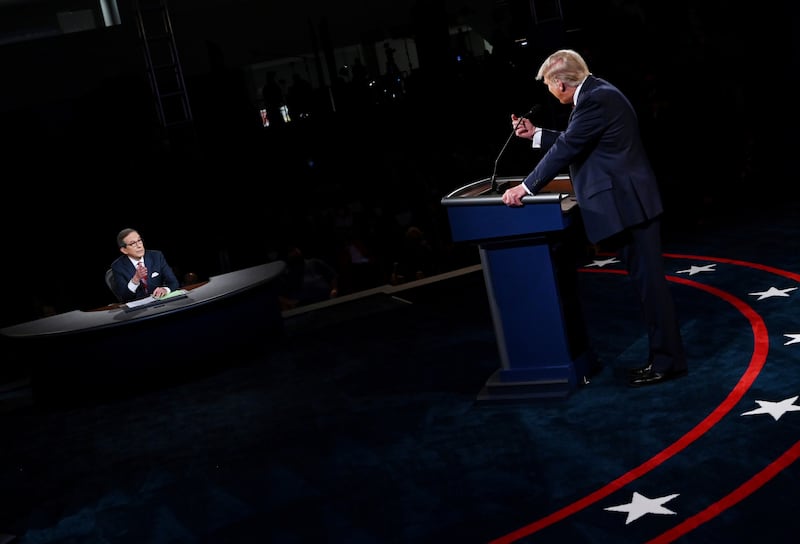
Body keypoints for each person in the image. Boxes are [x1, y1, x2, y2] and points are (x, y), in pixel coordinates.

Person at [501, 49, 686, 387]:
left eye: (548, 86)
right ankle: (663, 357)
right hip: (631, 204)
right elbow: (576, 140)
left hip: (631, 206)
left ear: (560, 83)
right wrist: (536, 135)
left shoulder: (595, 100)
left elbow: (569, 149)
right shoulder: (596, 94)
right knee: (648, 288)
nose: (549, 91)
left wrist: (525, 187)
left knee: (652, 289)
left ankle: (668, 362)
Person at [110, 228, 180, 302]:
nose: (139, 246)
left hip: (160, 303)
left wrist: (165, 289)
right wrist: (135, 279)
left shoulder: (156, 256)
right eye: (132, 243)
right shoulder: (118, 266)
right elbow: (125, 297)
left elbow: (174, 282)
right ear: (124, 250)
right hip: (138, 310)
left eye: (139, 241)